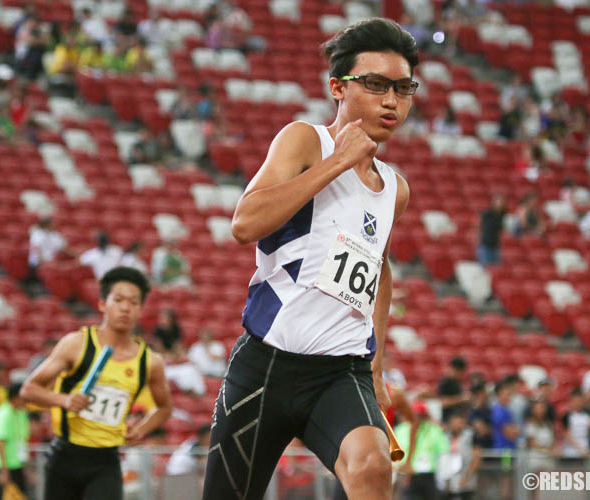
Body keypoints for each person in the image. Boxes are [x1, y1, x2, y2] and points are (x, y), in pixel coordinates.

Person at [203, 18, 416, 500]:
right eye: (376, 84)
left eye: (403, 89)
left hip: (342, 372)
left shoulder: (395, 189)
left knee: (372, 466)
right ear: (337, 87)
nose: (390, 101)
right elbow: (245, 222)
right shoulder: (304, 140)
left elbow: (379, 270)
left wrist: (377, 368)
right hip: (267, 365)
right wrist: (337, 162)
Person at [21, 267, 172, 500]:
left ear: (140, 309)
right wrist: (64, 400)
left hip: (106, 462)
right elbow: (29, 389)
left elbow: (164, 408)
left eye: (133, 302)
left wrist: (141, 429)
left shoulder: (150, 362)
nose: (125, 308)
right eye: (118, 300)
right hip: (65, 456)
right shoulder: (76, 344)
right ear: (103, 304)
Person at [0, 382, 29, 500]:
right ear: (16, 398)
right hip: (6, 467)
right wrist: (4, 472)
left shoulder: (21, 412)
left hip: (18, 464)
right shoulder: (3, 414)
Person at [437, 409, 482, 500]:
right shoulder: (445, 436)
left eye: (460, 422)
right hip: (448, 482)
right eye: (454, 422)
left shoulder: (471, 435)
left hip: (465, 481)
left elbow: (476, 458)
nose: (457, 425)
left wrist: (467, 477)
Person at [476, 194, 505, 267]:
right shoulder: (488, 214)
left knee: (497, 269)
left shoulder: (503, 215)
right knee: (486, 269)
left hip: (495, 246)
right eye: (499, 202)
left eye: (502, 202)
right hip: (485, 245)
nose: (500, 204)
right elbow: (484, 226)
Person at [437, 356, 468, 421]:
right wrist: (461, 399)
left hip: (458, 418)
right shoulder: (445, 382)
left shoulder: (457, 382)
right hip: (448, 419)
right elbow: (443, 403)